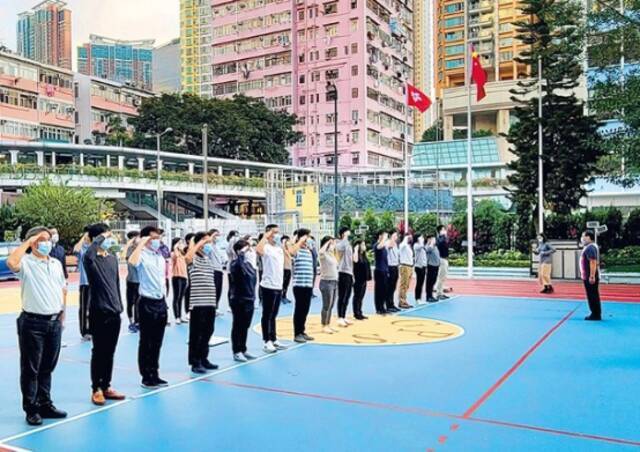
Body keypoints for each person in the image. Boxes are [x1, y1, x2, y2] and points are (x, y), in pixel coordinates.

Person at [7, 227, 68, 426]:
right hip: (32, 322)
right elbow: (11, 262)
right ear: (32, 242)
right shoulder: (26, 263)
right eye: (42, 240)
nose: (47, 243)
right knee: (31, 368)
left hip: (53, 321)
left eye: (49, 240)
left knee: (47, 367)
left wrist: (62, 315)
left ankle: (45, 403)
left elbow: (62, 289)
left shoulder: (56, 264)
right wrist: (28, 241)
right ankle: (31, 408)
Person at [83, 224, 126, 406]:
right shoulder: (91, 260)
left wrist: (119, 305)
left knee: (110, 352)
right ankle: (96, 388)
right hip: (98, 312)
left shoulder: (112, 259)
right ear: (95, 239)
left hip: (114, 312)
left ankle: (107, 385)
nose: (108, 240)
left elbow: (116, 283)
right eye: (104, 237)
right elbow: (88, 255)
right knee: (98, 352)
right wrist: (100, 237)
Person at [128, 226, 169, 388]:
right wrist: (141, 243)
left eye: (158, 238)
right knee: (146, 341)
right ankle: (146, 375)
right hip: (147, 302)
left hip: (161, 302)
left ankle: (155, 372)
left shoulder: (159, 257)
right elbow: (132, 262)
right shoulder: (141, 255)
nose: (157, 241)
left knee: (157, 341)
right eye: (153, 238)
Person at [185, 232, 219, 373]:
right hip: (198, 302)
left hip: (210, 301)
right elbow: (187, 257)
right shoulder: (193, 258)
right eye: (205, 243)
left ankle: (204, 358)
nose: (208, 246)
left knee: (208, 331)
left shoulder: (207, 258)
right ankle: (195, 361)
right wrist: (198, 242)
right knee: (196, 333)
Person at [256, 224, 288, 353]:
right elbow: (258, 250)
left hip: (278, 285)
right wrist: (265, 236)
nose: (277, 235)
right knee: (267, 314)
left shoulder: (278, 249)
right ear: (269, 233)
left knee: (274, 314)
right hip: (268, 285)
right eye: (275, 232)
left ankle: (274, 338)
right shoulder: (266, 247)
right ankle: (266, 341)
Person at [229, 239, 258, 362]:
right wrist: (241, 253)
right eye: (247, 249)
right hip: (238, 299)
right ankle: (236, 351)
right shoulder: (235, 264)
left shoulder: (249, 265)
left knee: (245, 325)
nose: (250, 251)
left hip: (249, 298)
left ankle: (243, 348)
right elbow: (238, 269)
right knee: (238, 325)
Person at [289, 229, 315, 342]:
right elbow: (291, 252)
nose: (308, 240)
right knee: (299, 309)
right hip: (299, 285)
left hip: (308, 284)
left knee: (305, 309)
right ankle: (297, 333)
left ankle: (302, 331)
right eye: (306, 237)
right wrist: (298, 241)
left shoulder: (308, 251)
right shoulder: (297, 250)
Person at [73, 229, 91, 340]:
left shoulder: (94, 248)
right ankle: (85, 331)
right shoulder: (82, 248)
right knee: (85, 309)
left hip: (96, 283)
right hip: (85, 283)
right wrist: (84, 236)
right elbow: (76, 249)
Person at [319, 236, 339, 333]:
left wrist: (333, 245)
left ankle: (328, 324)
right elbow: (321, 252)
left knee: (331, 305)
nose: (333, 245)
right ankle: (324, 325)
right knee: (326, 305)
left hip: (334, 281)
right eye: (332, 243)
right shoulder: (324, 255)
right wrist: (327, 243)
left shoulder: (331, 255)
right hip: (326, 282)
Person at [580, 231, 602, 321]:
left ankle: (595, 314)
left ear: (589, 237)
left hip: (590, 275)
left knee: (592, 295)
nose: (582, 238)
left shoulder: (590, 248)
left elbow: (592, 261)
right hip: (587, 275)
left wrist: (592, 275)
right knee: (592, 294)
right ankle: (595, 312)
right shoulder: (590, 247)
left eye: (583, 236)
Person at [335, 227, 355, 327]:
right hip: (343, 271)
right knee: (342, 295)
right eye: (347, 232)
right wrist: (344, 238)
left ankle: (343, 315)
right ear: (343, 233)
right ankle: (340, 317)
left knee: (347, 296)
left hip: (349, 272)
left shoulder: (348, 244)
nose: (349, 233)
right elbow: (338, 248)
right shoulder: (341, 243)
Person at [124, 231, 141, 332]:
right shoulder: (129, 250)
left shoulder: (142, 250)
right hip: (131, 280)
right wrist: (129, 244)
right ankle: (131, 322)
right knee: (130, 302)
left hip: (140, 281)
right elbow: (130, 260)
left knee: (139, 302)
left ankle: (138, 321)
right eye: (135, 238)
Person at [352, 239, 371, 320]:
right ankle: (356, 313)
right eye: (362, 245)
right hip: (358, 279)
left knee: (361, 297)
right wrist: (355, 249)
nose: (364, 246)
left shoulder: (363, 255)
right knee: (357, 296)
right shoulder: (356, 255)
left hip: (364, 279)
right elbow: (355, 260)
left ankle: (360, 311)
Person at [171, 237, 188, 324]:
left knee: (181, 297)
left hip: (184, 276)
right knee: (176, 297)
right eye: (179, 243)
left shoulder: (184, 254)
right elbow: (175, 256)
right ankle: (177, 317)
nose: (182, 244)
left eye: (182, 243)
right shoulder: (173, 253)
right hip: (176, 277)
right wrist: (175, 247)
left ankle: (181, 316)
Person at [208, 229, 225, 310]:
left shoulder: (217, 246)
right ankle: (212, 307)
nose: (218, 237)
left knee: (219, 290)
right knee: (213, 291)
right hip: (213, 270)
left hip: (219, 270)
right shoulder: (208, 246)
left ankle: (216, 307)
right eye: (216, 235)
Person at [374, 231, 390, 315]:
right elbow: (379, 246)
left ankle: (383, 307)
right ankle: (378, 308)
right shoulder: (377, 245)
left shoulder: (384, 247)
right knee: (379, 290)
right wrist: (384, 238)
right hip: (379, 270)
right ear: (380, 236)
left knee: (384, 290)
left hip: (385, 270)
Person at [385, 231, 401, 313]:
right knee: (390, 287)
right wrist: (391, 239)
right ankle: (388, 305)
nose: (396, 236)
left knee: (393, 286)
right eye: (395, 235)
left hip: (395, 266)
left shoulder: (396, 244)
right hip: (390, 266)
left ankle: (392, 304)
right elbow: (388, 247)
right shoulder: (388, 242)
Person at [398, 234, 414, 309]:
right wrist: (406, 238)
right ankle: (401, 301)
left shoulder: (408, 246)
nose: (410, 238)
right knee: (403, 284)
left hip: (410, 266)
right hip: (405, 266)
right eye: (409, 237)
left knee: (407, 285)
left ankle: (404, 300)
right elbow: (402, 245)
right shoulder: (402, 245)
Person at [435, 225, 450, 300]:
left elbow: (447, 244)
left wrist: (445, 237)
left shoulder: (444, 238)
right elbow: (439, 244)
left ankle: (441, 292)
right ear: (440, 231)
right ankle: (438, 293)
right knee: (441, 277)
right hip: (441, 259)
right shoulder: (438, 239)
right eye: (443, 229)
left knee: (444, 277)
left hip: (445, 259)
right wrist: (443, 236)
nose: (445, 231)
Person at [425, 235, 441, 303]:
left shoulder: (435, 247)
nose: (435, 241)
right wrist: (431, 243)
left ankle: (431, 295)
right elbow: (428, 250)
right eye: (433, 239)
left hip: (436, 266)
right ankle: (428, 296)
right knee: (429, 282)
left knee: (433, 281)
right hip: (431, 266)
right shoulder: (427, 246)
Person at [413, 234, 427, 304]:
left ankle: (419, 298)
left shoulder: (422, 246)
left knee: (421, 283)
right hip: (418, 267)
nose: (422, 238)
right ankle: (417, 299)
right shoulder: (416, 245)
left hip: (423, 266)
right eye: (421, 237)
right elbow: (420, 246)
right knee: (419, 283)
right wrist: (421, 241)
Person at [281, 235, 292, 304]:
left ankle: (284, 296)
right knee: (283, 284)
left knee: (286, 284)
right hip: (284, 268)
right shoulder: (282, 249)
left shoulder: (288, 250)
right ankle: (281, 297)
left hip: (288, 268)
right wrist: (283, 243)